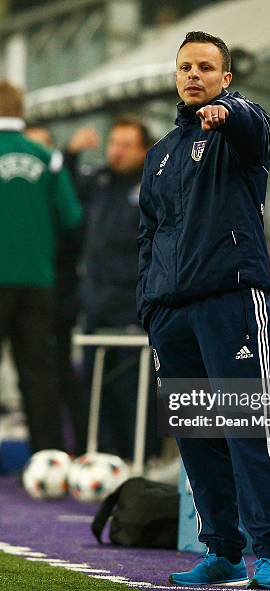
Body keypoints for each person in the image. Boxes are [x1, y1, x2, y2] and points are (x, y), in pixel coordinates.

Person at [137, 32, 270, 591]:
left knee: (246, 424)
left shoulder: (240, 131)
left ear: (225, 77)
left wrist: (229, 113)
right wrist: (148, 305)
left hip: (229, 296)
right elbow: (150, 236)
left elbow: (251, 118)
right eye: (185, 68)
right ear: (175, 76)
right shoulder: (159, 156)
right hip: (172, 311)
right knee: (198, 436)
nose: (194, 76)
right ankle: (223, 551)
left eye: (206, 67)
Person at [0, 81, 82, 452]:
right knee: (38, 374)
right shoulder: (47, 157)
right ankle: (47, 456)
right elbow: (71, 217)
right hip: (38, 281)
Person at [72, 115, 159, 460]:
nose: (117, 151)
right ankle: (104, 456)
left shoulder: (155, 186)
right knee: (95, 388)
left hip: (134, 307)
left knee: (134, 389)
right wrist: (69, 154)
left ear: (144, 150)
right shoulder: (99, 182)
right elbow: (64, 191)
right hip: (96, 305)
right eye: (113, 143)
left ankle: (143, 457)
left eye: (126, 145)